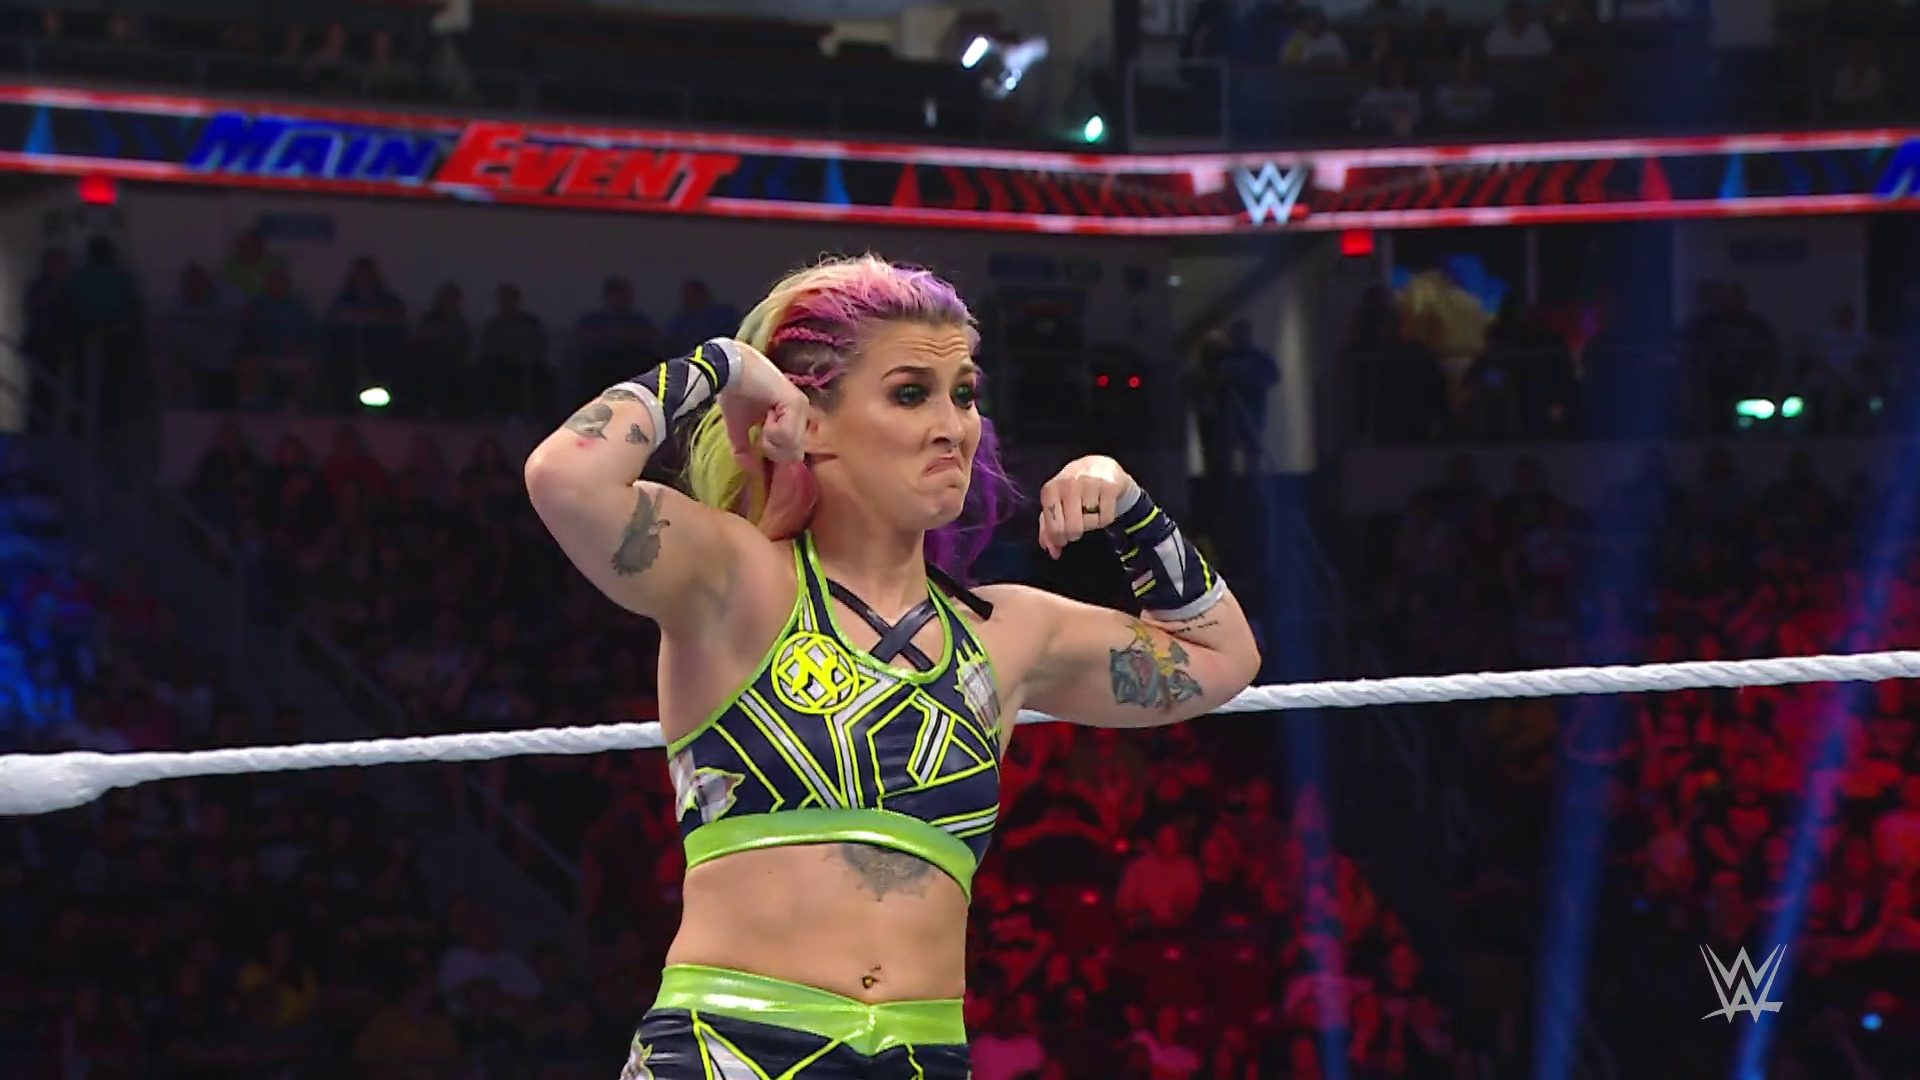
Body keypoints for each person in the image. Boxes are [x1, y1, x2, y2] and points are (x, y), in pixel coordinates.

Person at [523, 255, 1261, 1079]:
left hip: (921, 1054)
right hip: (729, 1047)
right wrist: (725, 364)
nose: (953, 426)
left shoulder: (1008, 632)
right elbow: (566, 476)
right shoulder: (735, 579)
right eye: (911, 394)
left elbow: (1224, 657)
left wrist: (1130, 508)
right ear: (812, 421)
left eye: (964, 394)